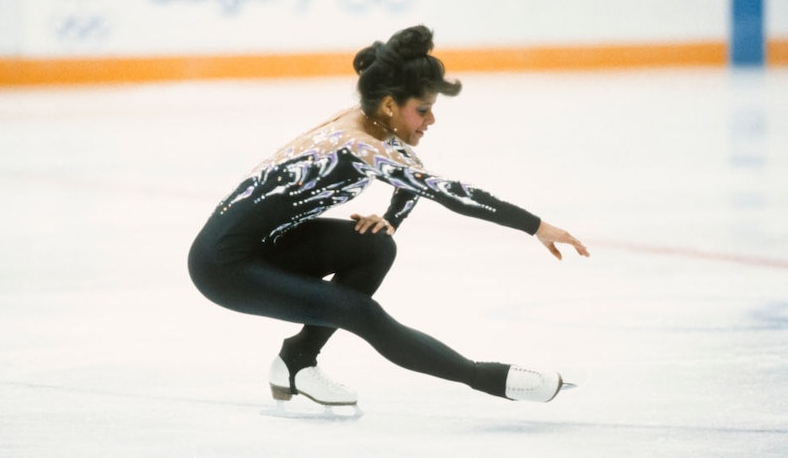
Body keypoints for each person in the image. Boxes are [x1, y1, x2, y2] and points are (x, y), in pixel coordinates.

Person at [188, 25, 590, 408]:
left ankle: (297, 360)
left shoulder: (371, 126)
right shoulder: (359, 145)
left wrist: (391, 219)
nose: (431, 120)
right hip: (223, 266)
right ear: (388, 104)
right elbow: (446, 192)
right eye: (423, 110)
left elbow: (409, 177)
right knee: (359, 312)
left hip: (267, 245)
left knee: (375, 246)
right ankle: (487, 377)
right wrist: (535, 226)